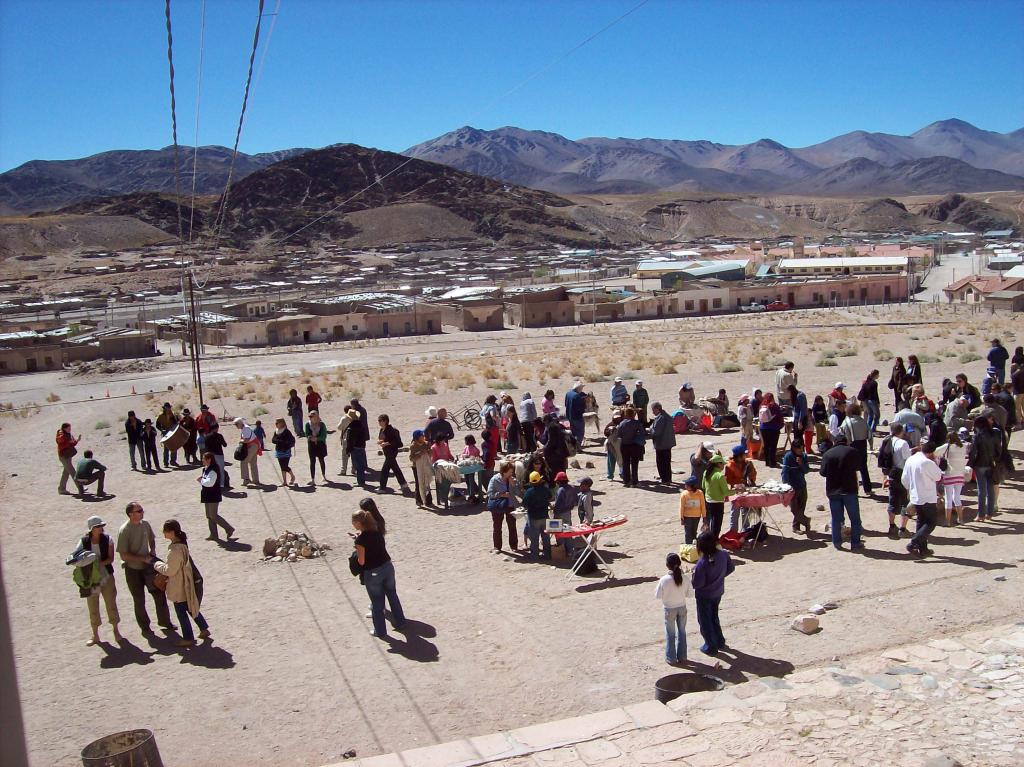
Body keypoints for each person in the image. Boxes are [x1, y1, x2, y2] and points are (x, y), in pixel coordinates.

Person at [116, 502, 173, 635]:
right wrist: (142, 559)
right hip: (133, 570)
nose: (142, 512)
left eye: (141, 510)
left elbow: (152, 539)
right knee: (139, 599)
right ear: (131, 514)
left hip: (148, 568)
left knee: (159, 593)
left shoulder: (145, 524)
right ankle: (145, 627)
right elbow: (123, 555)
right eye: (139, 511)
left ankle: (165, 622)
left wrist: (152, 550)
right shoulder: (125, 530)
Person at [152, 520, 209, 648]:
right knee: (191, 607)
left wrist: (156, 564)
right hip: (186, 583)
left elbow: (170, 570)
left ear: (171, 532)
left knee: (181, 612)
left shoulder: (175, 551)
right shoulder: (182, 545)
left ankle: (188, 638)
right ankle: (204, 629)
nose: (164, 533)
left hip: (180, 585)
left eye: (165, 531)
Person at [352, 509, 405, 639]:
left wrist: (356, 550)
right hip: (387, 566)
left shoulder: (360, 541)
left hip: (373, 572)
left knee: (377, 601)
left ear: (359, 523)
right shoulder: (377, 532)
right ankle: (401, 621)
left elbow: (362, 561)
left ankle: (380, 631)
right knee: (392, 594)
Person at [79, 515, 122, 646]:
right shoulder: (84, 541)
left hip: (106, 576)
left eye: (101, 526)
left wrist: (96, 564)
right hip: (91, 578)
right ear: (92, 529)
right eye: (98, 527)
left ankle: (116, 630)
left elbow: (110, 559)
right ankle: (95, 634)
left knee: (111, 602)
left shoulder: (108, 539)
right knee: (92, 605)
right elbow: (77, 557)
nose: (101, 529)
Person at [692, 530, 734, 656]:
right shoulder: (723, 555)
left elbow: (697, 584)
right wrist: (719, 578)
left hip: (704, 595)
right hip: (718, 592)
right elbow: (731, 568)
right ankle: (720, 640)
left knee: (705, 620)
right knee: (714, 617)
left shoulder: (702, 564)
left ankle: (710, 645)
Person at [819, 435, 863, 551]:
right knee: (855, 519)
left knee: (836, 518)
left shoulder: (828, 454)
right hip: (849, 489)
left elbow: (823, 473)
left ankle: (837, 542)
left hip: (833, 490)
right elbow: (859, 466)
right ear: (846, 442)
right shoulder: (852, 451)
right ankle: (855, 543)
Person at [901, 442, 943, 557]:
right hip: (927, 497)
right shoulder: (927, 462)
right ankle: (914, 543)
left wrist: (911, 488)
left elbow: (904, 479)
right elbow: (938, 476)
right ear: (930, 453)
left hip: (915, 496)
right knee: (931, 523)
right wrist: (936, 463)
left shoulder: (911, 459)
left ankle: (923, 548)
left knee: (921, 521)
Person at [656, 553, 691, 665]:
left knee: (670, 634)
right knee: (682, 632)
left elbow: (658, 595)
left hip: (669, 608)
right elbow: (690, 594)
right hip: (682, 607)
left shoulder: (664, 580)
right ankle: (682, 656)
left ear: (667, 565)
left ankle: (671, 657)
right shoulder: (684, 578)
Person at [880, 423, 913, 539]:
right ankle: (903, 528)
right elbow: (908, 460)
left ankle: (892, 526)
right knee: (905, 501)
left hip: (891, 473)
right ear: (901, 431)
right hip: (902, 473)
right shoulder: (903, 443)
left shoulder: (888, 441)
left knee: (892, 500)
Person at [970, 415, 1002, 522]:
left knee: (981, 490)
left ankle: (981, 515)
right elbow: (998, 450)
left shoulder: (977, 436)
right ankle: (989, 513)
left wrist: (970, 464)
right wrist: (995, 460)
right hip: (991, 464)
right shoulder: (994, 434)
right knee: (990, 489)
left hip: (980, 465)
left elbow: (973, 452)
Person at [198, 452, 234, 541]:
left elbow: (210, 483)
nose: (202, 460)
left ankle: (229, 528)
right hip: (207, 495)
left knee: (213, 515)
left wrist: (201, 480)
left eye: (204, 459)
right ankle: (213, 534)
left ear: (209, 459)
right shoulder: (206, 469)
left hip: (213, 495)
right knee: (209, 515)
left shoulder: (213, 470)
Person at [936, 430, 967, 526]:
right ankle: (961, 519)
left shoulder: (947, 446)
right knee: (957, 497)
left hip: (949, 474)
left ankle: (947, 521)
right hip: (960, 474)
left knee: (948, 499)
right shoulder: (963, 446)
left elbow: (935, 452)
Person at [840, 402, 872, 495]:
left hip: (852, 445)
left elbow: (842, 433)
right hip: (863, 444)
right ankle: (868, 489)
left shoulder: (847, 421)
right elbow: (869, 434)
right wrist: (871, 445)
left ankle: (854, 490)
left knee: (851, 469)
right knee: (863, 468)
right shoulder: (863, 421)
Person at [486, 461, 519, 553]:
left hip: (510, 505)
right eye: (510, 472)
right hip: (498, 506)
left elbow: (518, 492)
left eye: (512, 472)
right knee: (497, 526)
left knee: (512, 526)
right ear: (504, 472)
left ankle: (514, 546)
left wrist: (514, 485)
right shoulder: (495, 479)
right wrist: (502, 494)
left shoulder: (513, 479)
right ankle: (497, 547)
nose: (511, 474)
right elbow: (490, 493)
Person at [780, 440, 811, 533]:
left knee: (801, 507)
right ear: (794, 448)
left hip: (802, 485)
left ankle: (796, 527)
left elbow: (806, 470)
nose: (801, 450)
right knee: (794, 508)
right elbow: (785, 473)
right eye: (799, 449)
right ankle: (805, 521)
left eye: (802, 448)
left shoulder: (804, 456)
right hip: (792, 487)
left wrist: (801, 464)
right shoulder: (788, 457)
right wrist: (786, 486)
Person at [522, 471, 552, 559]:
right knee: (546, 537)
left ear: (531, 482)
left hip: (534, 518)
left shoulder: (529, 492)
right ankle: (547, 555)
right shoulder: (545, 489)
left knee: (534, 538)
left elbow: (524, 504)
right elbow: (550, 497)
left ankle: (534, 555)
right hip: (544, 516)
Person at [377, 414, 410, 493]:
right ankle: (403, 484)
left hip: (392, 452)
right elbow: (382, 439)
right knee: (395, 468)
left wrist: (387, 443)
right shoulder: (382, 430)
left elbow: (397, 442)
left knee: (385, 470)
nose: (379, 423)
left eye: (380, 421)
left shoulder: (391, 430)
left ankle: (382, 487)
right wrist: (381, 442)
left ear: (385, 421)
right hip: (386, 452)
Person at [615, 407, 644, 487]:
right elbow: (642, 432)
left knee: (625, 463)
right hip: (634, 445)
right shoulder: (636, 423)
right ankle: (635, 481)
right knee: (634, 464)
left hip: (624, 445)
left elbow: (619, 435)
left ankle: (626, 481)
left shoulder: (622, 423)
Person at [552, 471, 578, 559]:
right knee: (568, 532)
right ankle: (570, 550)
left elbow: (558, 504)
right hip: (568, 513)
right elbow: (575, 501)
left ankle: (562, 550)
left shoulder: (561, 490)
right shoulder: (572, 488)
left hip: (560, 514)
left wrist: (555, 514)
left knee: (559, 532)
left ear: (559, 482)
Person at [702, 454, 729, 539]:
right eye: (722, 464)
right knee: (716, 525)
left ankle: (710, 540)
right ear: (718, 464)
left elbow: (703, 486)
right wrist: (737, 490)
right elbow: (726, 492)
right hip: (718, 503)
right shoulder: (719, 476)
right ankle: (713, 542)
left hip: (708, 501)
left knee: (711, 522)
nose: (723, 466)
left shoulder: (706, 472)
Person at [649, 402, 676, 483]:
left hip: (661, 444)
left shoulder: (660, 418)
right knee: (667, 462)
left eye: (653, 410)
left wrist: (650, 429)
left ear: (657, 409)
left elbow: (656, 432)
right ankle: (668, 479)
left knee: (661, 462)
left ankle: (664, 479)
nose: (652, 412)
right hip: (668, 443)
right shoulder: (667, 416)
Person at [233, 417, 262, 487]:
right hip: (254, 445)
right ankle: (255, 480)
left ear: (240, 423)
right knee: (253, 463)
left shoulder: (246, 429)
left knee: (244, 462)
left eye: (236, 424)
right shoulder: (244, 428)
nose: (236, 426)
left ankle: (246, 479)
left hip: (252, 446)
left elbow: (246, 440)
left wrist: (240, 441)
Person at [542, 415, 572, 483]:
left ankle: (557, 483)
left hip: (555, 454)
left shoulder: (551, 427)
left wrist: (544, 448)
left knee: (555, 470)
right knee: (562, 469)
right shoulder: (557, 425)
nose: (545, 424)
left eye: (544, 422)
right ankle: (564, 482)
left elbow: (551, 441)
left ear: (547, 421)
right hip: (562, 452)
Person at [348, 399, 371, 485]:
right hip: (363, 433)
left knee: (357, 461)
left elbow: (351, 438)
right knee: (362, 453)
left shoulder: (356, 413)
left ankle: (360, 478)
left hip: (357, 442)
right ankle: (364, 465)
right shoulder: (363, 409)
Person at [758, 392, 784, 468]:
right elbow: (779, 416)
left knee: (766, 445)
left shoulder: (762, 406)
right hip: (774, 428)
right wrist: (780, 426)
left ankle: (767, 462)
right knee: (773, 446)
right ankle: (772, 462)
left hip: (763, 428)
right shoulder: (775, 406)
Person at [409, 430, 434, 507]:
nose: (423, 437)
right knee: (418, 483)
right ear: (417, 438)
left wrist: (429, 451)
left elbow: (430, 454)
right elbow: (411, 458)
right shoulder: (413, 446)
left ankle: (428, 501)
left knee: (427, 483)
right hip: (416, 468)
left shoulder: (426, 444)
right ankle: (419, 501)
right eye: (421, 436)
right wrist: (419, 454)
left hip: (426, 466)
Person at [679, 475, 706, 544]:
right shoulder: (684, 494)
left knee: (694, 532)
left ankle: (694, 547)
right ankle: (688, 547)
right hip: (687, 516)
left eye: (687, 485)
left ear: (693, 486)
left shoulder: (700, 493)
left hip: (697, 517)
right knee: (688, 533)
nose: (685, 486)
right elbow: (681, 507)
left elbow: (703, 505)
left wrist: (704, 517)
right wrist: (681, 517)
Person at [56, 422, 82, 495]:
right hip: (63, 456)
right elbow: (60, 441)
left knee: (66, 473)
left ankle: (61, 489)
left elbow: (72, 443)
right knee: (72, 472)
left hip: (68, 455)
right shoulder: (61, 435)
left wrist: (77, 440)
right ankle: (80, 487)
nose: (70, 430)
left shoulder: (68, 435)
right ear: (64, 428)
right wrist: (68, 440)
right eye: (68, 428)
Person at [304, 410, 329, 486]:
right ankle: (312, 479)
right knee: (312, 461)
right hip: (311, 445)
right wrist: (310, 437)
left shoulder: (322, 424)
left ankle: (324, 476)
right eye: (310, 416)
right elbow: (307, 434)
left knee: (321, 460)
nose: (311, 418)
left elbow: (324, 435)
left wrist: (317, 439)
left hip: (320, 444)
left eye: (312, 416)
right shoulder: (308, 425)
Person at [857, 370, 881, 445]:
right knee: (877, 415)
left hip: (866, 401)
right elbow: (875, 394)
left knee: (870, 415)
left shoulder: (866, 382)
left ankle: (867, 430)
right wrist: (878, 402)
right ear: (875, 375)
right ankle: (872, 430)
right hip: (872, 400)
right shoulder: (874, 383)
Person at [271, 418, 297, 487]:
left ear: (281, 423)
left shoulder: (286, 431)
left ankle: (292, 476)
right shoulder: (276, 431)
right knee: (282, 467)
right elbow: (273, 440)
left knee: (285, 466)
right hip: (279, 451)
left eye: (277, 423)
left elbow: (287, 441)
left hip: (286, 451)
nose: (276, 424)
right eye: (275, 423)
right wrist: (279, 441)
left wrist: (279, 441)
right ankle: (284, 481)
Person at [431, 435, 455, 509]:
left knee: (449, 481)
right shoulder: (433, 447)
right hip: (439, 467)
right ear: (438, 441)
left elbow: (448, 454)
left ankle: (444, 497)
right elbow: (434, 460)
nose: (443, 442)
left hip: (447, 465)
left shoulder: (445, 445)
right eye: (442, 440)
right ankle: (443, 499)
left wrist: (452, 458)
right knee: (443, 483)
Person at [204, 421, 229, 489]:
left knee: (211, 471)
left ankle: (211, 484)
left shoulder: (207, 436)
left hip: (210, 456)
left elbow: (205, 447)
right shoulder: (219, 436)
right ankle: (221, 485)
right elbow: (225, 445)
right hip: (219, 455)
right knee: (221, 470)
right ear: (216, 428)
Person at [788, 384, 810, 453]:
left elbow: (802, 410)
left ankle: (801, 452)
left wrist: (800, 422)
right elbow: (796, 408)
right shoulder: (796, 396)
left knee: (798, 437)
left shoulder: (800, 396)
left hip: (801, 419)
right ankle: (799, 452)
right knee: (797, 436)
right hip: (797, 418)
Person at [155, 402, 179, 468]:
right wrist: (161, 430)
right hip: (165, 432)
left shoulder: (172, 414)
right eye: (167, 408)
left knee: (174, 447)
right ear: (164, 408)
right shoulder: (160, 416)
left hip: (172, 431)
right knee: (166, 448)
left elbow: (175, 423)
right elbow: (157, 425)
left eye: (169, 408)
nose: (168, 409)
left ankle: (173, 461)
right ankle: (166, 462)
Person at [603, 409, 624, 481]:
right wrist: (610, 431)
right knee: (611, 461)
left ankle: (623, 474)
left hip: (620, 445)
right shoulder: (610, 424)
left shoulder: (623, 423)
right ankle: (610, 475)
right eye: (616, 417)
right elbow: (605, 433)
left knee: (621, 460)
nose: (617, 419)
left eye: (618, 417)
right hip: (611, 446)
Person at [564, 381, 587, 447]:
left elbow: (566, 404)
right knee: (580, 432)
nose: (582, 389)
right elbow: (579, 408)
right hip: (577, 417)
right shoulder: (577, 396)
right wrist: (584, 406)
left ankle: (573, 446)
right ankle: (578, 446)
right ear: (578, 388)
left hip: (569, 416)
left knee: (573, 432)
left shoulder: (568, 393)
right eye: (581, 388)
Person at [461, 435, 482, 503]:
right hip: (466, 466)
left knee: (470, 479)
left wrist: (469, 457)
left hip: (471, 468)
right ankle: (475, 491)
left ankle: (472, 494)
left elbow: (476, 457)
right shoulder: (466, 447)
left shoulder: (475, 449)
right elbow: (463, 454)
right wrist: (464, 456)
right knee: (468, 480)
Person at [335, 406, 355, 476]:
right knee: (353, 454)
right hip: (354, 439)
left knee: (345, 455)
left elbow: (339, 427)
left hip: (346, 438)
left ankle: (343, 470)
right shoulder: (356, 419)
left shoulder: (344, 419)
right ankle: (353, 469)